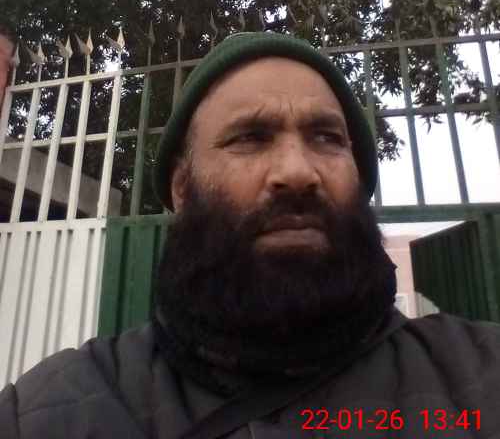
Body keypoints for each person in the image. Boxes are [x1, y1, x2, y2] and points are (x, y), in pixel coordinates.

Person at [1, 30, 499, 438]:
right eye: (250, 138)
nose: (297, 171)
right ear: (181, 188)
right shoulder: (47, 414)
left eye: (327, 138)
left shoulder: (481, 378)